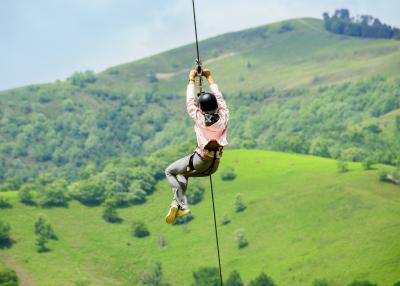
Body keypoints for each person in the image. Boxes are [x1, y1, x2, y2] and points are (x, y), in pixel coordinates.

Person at [164, 68, 229, 224]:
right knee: (183, 174)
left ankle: (178, 204)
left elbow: (189, 101)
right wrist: (209, 77)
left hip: (200, 160)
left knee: (170, 171)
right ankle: (179, 206)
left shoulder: (199, 118)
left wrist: (191, 79)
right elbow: (219, 98)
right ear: (216, 107)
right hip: (214, 165)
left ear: (202, 109)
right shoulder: (225, 116)